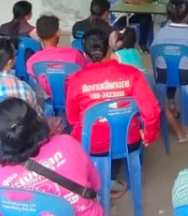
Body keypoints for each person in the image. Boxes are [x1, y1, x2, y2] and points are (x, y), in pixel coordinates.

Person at [65, 29, 161, 176]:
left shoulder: (75, 79)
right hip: (128, 140)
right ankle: (111, 179)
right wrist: (149, 135)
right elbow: (151, 110)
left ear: (85, 55)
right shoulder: (132, 73)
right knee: (118, 134)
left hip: (89, 142)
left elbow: (72, 118)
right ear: (110, 48)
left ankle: (100, 179)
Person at [152, 0, 188, 144]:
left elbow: (154, 52)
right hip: (187, 77)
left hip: (163, 76)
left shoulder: (161, 32)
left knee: (169, 67)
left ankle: (170, 101)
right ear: (187, 15)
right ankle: (185, 116)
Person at [26, 15, 87, 105]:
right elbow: (84, 73)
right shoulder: (74, 54)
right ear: (57, 33)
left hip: (47, 102)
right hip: (73, 100)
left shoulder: (32, 61)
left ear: (38, 34)